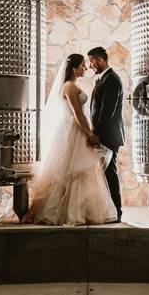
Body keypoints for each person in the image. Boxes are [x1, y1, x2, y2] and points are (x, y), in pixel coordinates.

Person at [21, 53, 117, 225]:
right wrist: (89, 134)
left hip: (77, 129)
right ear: (73, 68)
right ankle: (69, 212)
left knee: (81, 172)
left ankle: (81, 211)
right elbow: (77, 113)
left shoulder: (74, 84)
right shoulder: (69, 86)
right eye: (82, 65)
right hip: (74, 131)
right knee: (71, 170)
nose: (85, 68)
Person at [86, 46, 124, 221]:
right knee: (105, 173)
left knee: (110, 173)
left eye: (92, 61)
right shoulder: (104, 78)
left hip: (108, 135)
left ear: (100, 60)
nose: (90, 65)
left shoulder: (112, 80)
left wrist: (96, 133)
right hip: (104, 133)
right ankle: (110, 210)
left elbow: (107, 110)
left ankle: (117, 211)